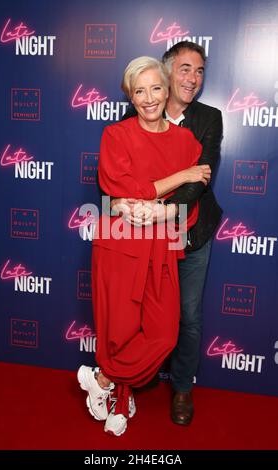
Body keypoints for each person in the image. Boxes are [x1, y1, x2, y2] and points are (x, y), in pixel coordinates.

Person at [77, 56, 211, 436]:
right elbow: (122, 192)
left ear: (167, 90)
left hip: (162, 249)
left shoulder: (185, 139)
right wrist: (184, 174)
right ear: (130, 96)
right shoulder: (115, 135)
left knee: (162, 333)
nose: (149, 98)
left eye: (156, 88)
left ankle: (101, 379)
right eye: (139, 91)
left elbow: (188, 206)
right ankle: (119, 397)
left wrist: (158, 211)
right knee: (119, 331)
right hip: (120, 246)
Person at [113, 41, 223, 426]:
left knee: (187, 317)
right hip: (142, 240)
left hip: (188, 232)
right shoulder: (137, 113)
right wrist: (125, 204)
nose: (192, 78)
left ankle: (181, 389)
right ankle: (130, 382)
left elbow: (199, 180)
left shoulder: (208, 119)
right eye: (185, 69)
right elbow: (120, 181)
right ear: (166, 72)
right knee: (140, 314)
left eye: (199, 71)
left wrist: (156, 210)